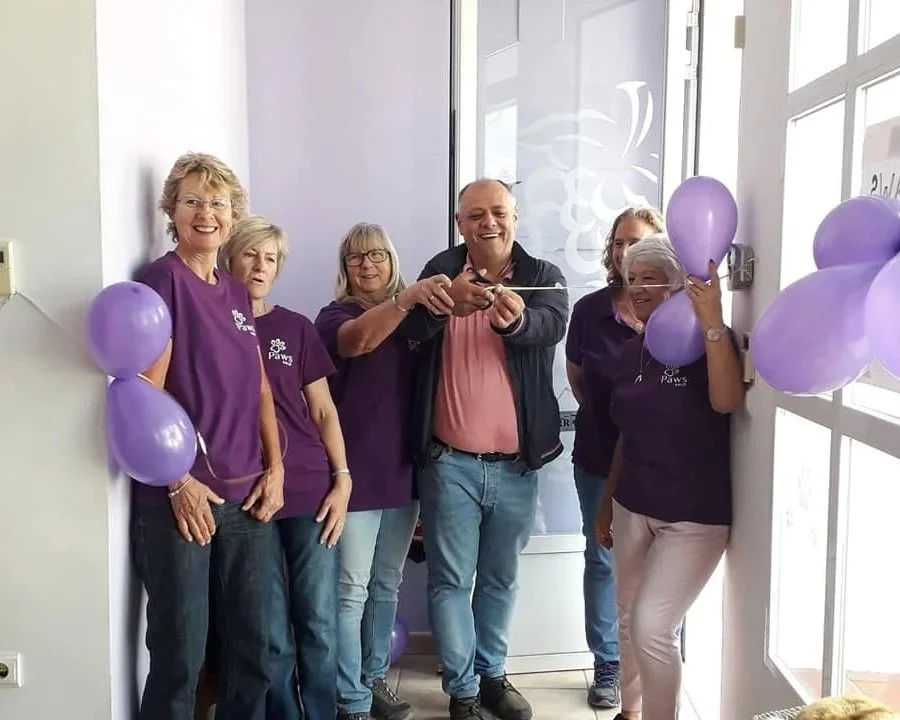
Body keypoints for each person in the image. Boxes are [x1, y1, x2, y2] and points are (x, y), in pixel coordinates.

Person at [402, 179, 569, 720]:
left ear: (515, 218)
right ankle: (464, 692)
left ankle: (493, 675)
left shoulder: (544, 277)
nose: (488, 223)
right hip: (449, 462)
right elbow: (412, 333)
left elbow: (550, 325)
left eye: (498, 212)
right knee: (452, 580)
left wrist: (514, 320)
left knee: (500, 578)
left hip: (518, 466)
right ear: (460, 223)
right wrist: (447, 302)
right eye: (476, 215)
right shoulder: (438, 271)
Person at [133, 153, 285, 720]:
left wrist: (277, 468)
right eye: (193, 200)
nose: (206, 213)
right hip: (182, 500)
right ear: (171, 210)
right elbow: (143, 394)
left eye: (218, 203)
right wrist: (178, 483)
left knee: (257, 649)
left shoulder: (235, 290)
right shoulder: (161, 281)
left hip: (249, 497)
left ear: (233, 214)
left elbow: (261, 389)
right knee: (180, 654)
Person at [591, 234, 745, 720]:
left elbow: (726, 402)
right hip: (633, 504)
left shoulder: (707, 342)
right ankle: (629, 713)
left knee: (653, 626)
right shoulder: (633, 350)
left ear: (678, 285)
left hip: (693, 516)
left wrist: (713, 323)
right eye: (631, 279)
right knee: (627, 619)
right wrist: (606, 503)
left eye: (651, 278)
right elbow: (624, 435)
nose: (637, 288)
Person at [315, 222, 454, 720]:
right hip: (350, 475)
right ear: (345, 269)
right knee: (350, 589)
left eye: (376, 255)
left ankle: (374, 679)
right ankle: (349, 697)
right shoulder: (335, 316)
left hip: (404, 473)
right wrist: (404, 299)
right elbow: (356, 344)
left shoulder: (416, 322)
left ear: (392, 259)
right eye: (356, 258)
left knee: (386, 584)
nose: (367, 265)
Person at [219, 216, 351, 720]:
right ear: (231, 257)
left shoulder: (294, 327)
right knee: (266, 631)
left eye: (270, 258)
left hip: (310, 491)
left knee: (317, 622)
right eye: (251, 253)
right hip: (245, 499)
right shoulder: (214, 323)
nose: (259, 265)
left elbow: (322, 410)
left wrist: (343, 479)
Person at [565, 206, 665, 709]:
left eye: (640, 242)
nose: (628, 252)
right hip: (599, 456)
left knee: (657, 565)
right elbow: (579, 381)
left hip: (663, 464)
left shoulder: (676, 312)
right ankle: (609, 661)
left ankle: (653, 654)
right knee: (603, 560)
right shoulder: (589, 311)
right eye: (621, 242)